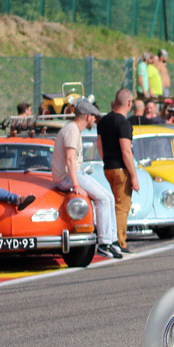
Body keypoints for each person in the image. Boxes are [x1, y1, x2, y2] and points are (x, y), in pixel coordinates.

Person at [51, 100, 121, 258]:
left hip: (73, 174)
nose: (95, 120)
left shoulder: (73, 129)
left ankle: (113, 240)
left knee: (109, 197)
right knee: (102, 199)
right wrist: (75, 185)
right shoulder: (72, 130)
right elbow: (69, 159)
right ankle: (104, 242)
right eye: (94, 117)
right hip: (67, 176)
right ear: (88, 116)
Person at [97, 89, 139, 254]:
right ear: (129, 103)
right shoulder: (124, 123)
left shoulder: (103, 121)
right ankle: (119, 241)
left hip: (107, 167)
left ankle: (112, 237)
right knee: (122, 207)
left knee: (112, 204)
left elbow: (98, 145)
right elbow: (126, 151)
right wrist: (134, 176)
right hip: (121, 169)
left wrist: (106, 160)